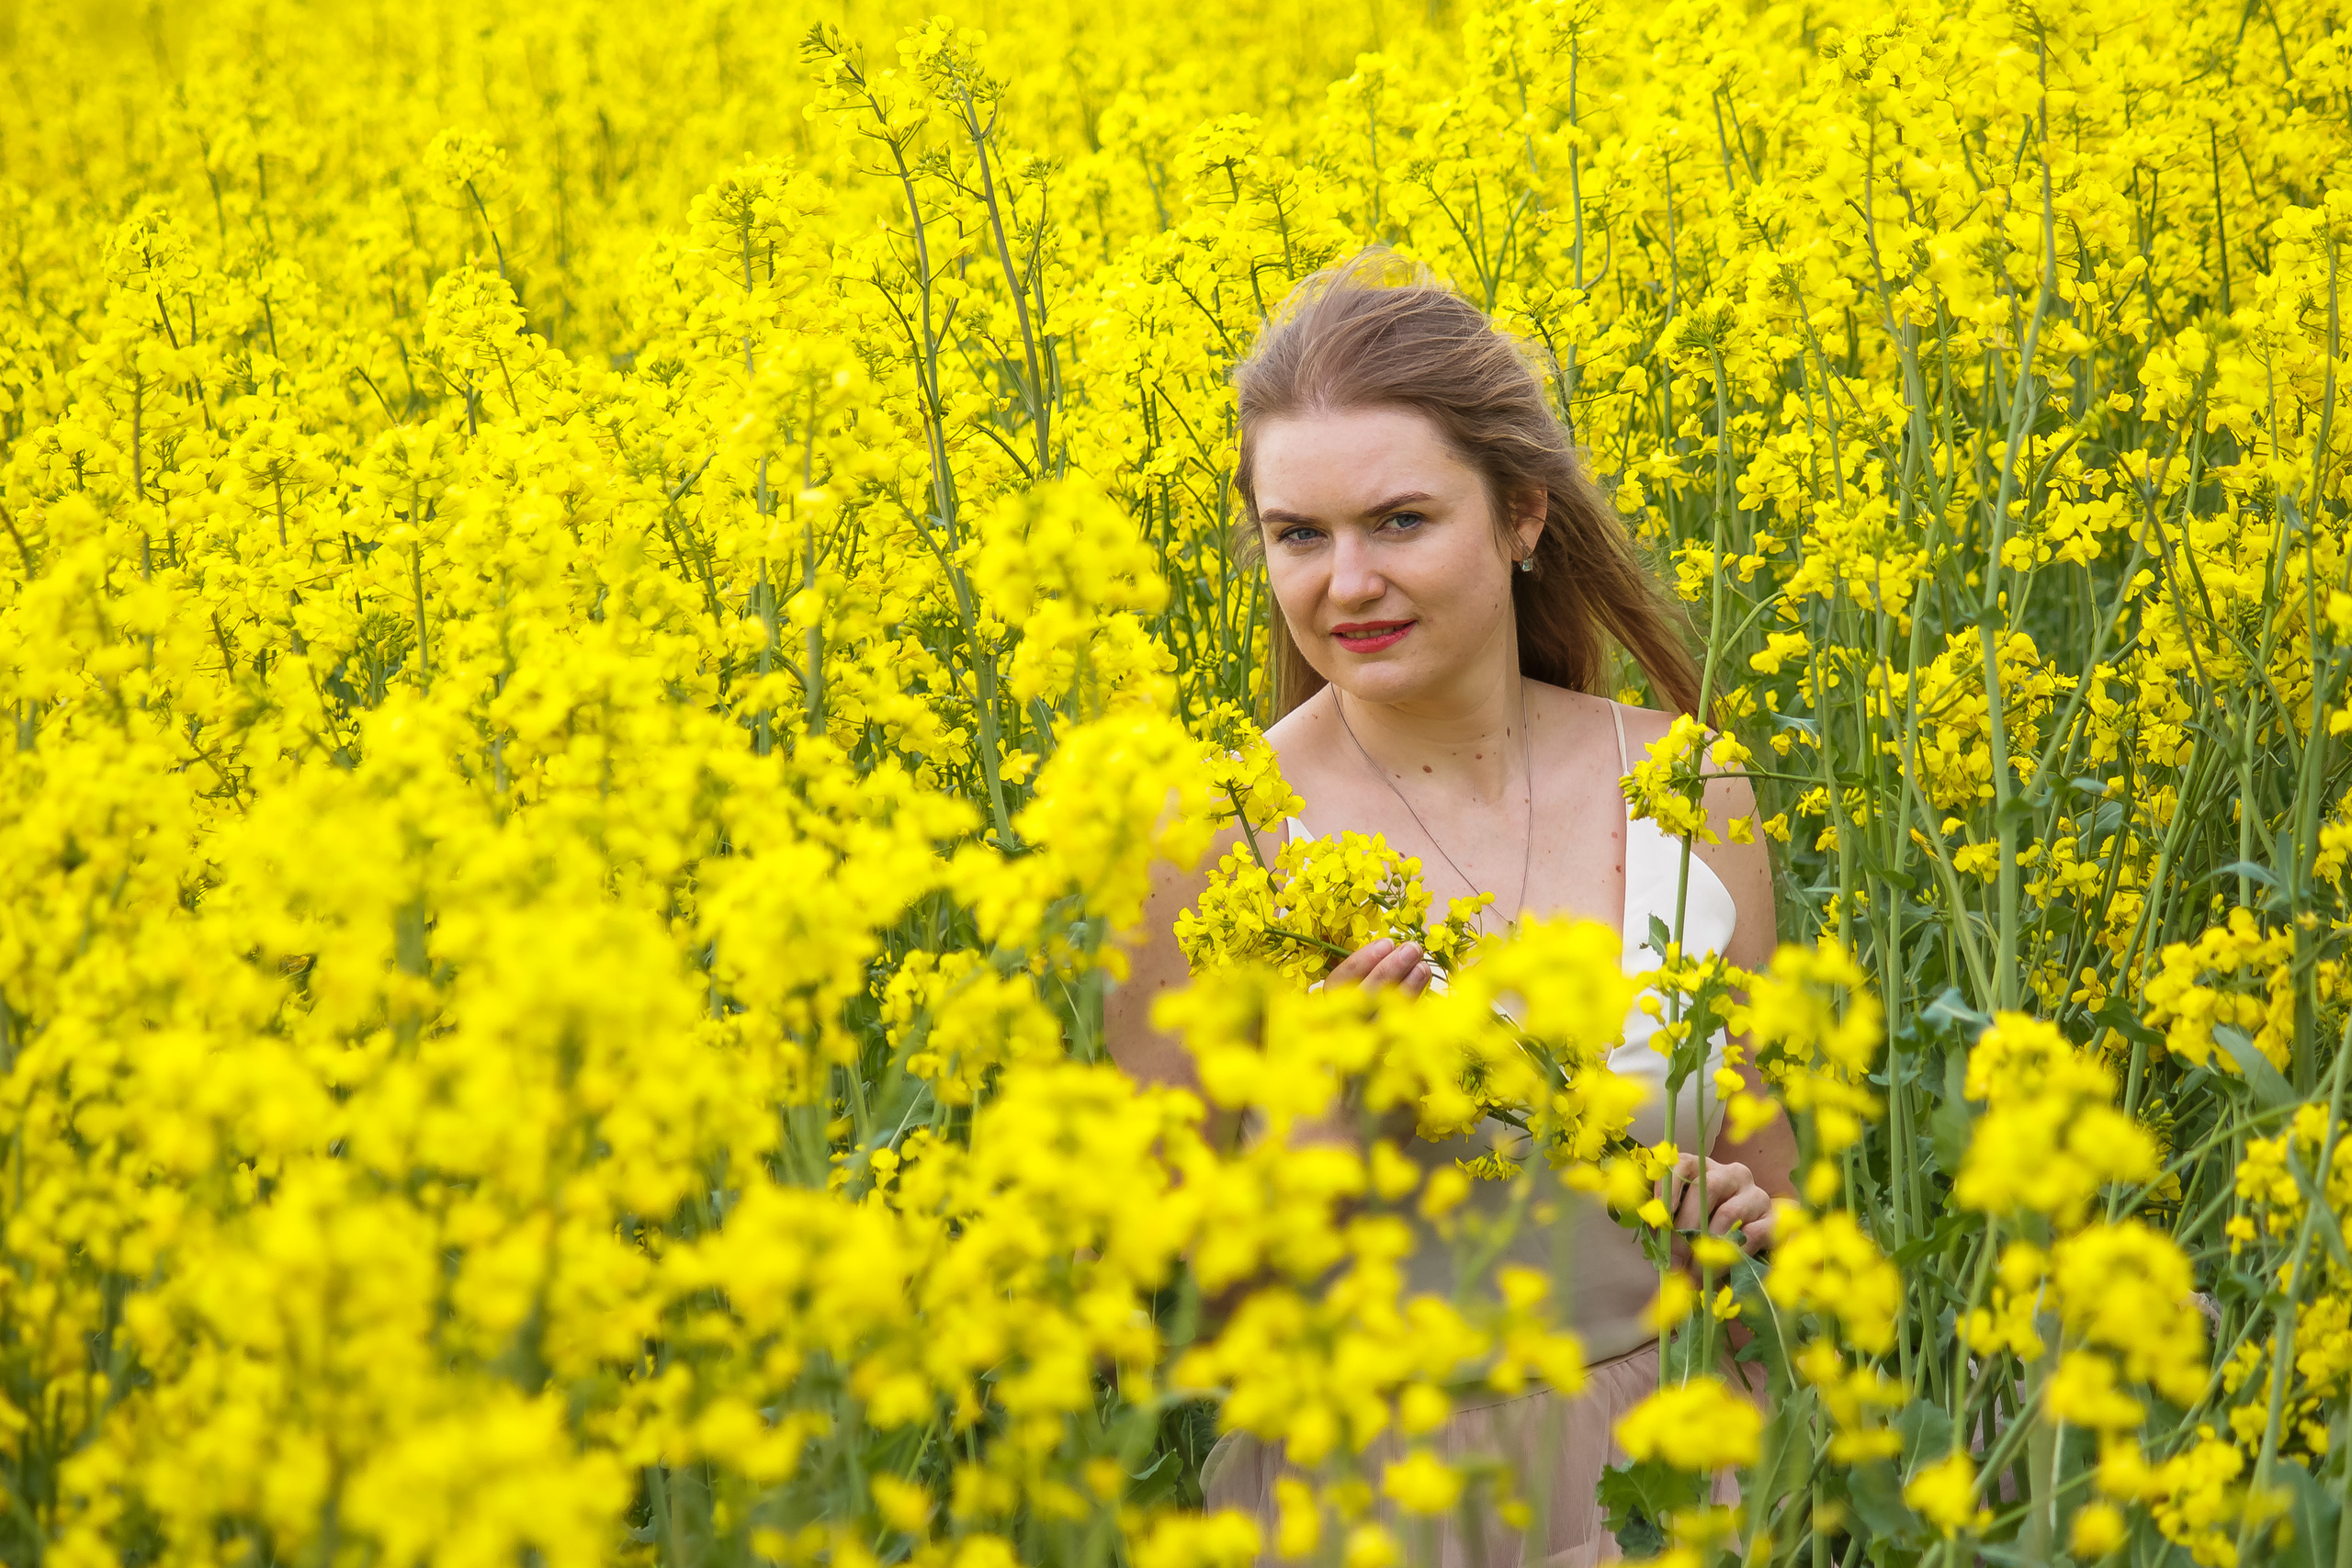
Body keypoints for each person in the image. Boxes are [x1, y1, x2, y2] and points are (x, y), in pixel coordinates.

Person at [1103, 252, 1800, 1566]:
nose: (1343, 584)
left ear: (1524, 515)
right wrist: (1318, 1125)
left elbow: (1775, 1183)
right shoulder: (1214, 836)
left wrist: (1758, 1236)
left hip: (1685, 1482)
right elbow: (1169, 1314)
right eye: (1297, 536)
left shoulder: (1688, 781)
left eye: (1400, 522)